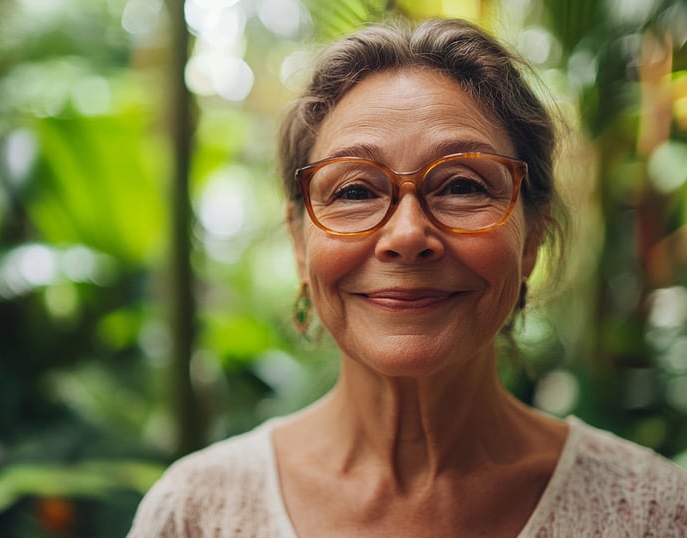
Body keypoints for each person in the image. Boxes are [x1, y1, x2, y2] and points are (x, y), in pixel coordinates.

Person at [128, 17, 687, 537]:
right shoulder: (196, 513)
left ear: (534, 234)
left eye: (463, 185)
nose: (406, 235)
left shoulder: (651, 513)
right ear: (301, 243)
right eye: (354, 191)